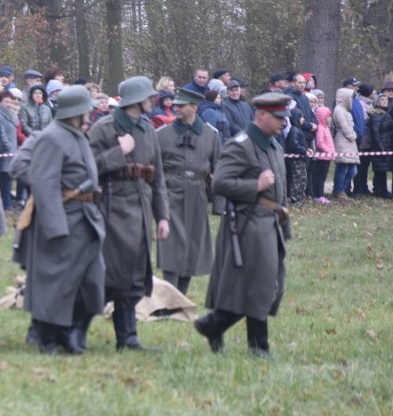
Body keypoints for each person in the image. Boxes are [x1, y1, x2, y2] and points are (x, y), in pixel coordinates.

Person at [195, 92, 293, 358]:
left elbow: (280, 190)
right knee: (259, 286)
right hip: (248, 224)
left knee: (268, 285)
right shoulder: (241, 145)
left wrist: (284, 223)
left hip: (269, 222)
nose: (284, 122)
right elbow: (219, 184)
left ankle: (213, 325)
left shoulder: (273, 145)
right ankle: (257, 345)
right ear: (261, 115)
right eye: (278, 117)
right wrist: (255, 185)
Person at [89, 76, 170, 351]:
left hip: (142, 211)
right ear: (136, 99)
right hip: (111, 211)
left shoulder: (148, 130)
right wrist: (117, 153)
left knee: (136, 277)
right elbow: (86, 169)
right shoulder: (103, 129)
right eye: (149, 96)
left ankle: (128, 338)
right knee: (108, 277)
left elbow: (157, 177)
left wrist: (163, 217)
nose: (154, 100)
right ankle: (71, 332)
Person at [23, 86, 105, 355]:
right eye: (87, 108)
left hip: (86, 219)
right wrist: (55, 227)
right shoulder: (52, 138)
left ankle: (72, 332)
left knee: (92, 282)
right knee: (55, 284)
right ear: (75, 111)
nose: (91, 112)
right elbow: (44, 185)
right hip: (64, 220)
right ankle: (48, 339)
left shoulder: (78, 135)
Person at [156, 87, 220, 296]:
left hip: (198, 194)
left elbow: (218, 170)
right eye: (175, 105)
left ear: (194, 107)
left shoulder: (211, 135)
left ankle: (179, 297)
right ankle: (170, 297)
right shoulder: (162, 135)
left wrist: (220, 206)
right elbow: (153, 169)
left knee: (193, 246)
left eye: (181, 106)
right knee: (171, 245)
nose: (177, 109)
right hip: (170, 193)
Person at [0, 90, 21, 210]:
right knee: (4, 179)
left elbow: (16, 125)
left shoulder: (11, 113)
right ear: (0, 102)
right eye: (6, 102)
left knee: (9, 178)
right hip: (5, 151)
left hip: (12, 149)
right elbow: (1, 132)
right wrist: (8, 147)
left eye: (10, 102)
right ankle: (6, 204)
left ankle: (7, 203)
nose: (9, 104)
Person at [331, 87, 359, 200]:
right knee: (343, 168)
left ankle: (341, 189)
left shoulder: (346, 110)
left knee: (353, 170)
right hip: (343, 141)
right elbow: (344, 126)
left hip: (350, 143)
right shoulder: (338, 110)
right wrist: (352, 135)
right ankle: (339, 190)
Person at [367, 93, 393, 198]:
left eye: (386, 100)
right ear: (377, 102)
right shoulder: (376, 114)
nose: (385, 101)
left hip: (387, 144)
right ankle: (378, 190)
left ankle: (383, 189)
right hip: (381, 145)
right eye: (382, 100)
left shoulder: (386, 113)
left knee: (383, 170)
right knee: (379, 170)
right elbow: (375, 132)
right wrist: (380, 148)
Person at [312, 106, 335, 204]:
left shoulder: (326, 128)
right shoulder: (320, 128)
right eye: (328, 116)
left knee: (323, 176)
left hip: (327, 157)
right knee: (320, 177)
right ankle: (319, 195)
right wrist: (328, 151)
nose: (329, 118)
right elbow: (319, 143)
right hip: (323, 157)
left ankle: (320, 195)